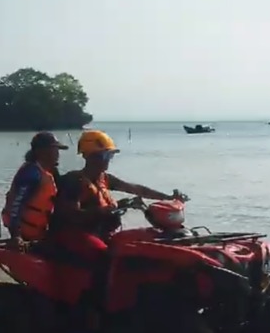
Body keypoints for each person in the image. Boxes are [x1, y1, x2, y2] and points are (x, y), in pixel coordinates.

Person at [50, 129, 186, 315]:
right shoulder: (74, 180)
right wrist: (106, 210)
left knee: (142, 245)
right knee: (105, 257)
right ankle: (97, 305)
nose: (108, 160)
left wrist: (168, 198)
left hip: (103, 233)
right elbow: (70, 214)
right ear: (89, 156)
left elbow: (136, 188)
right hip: (78, 234)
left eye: (110, 155)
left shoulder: (104, 178)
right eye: (104, 155)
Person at [0, 131, 68, 243]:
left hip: (40, 233)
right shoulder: (31, 173)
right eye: (54, 149)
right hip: (25, 234)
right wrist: (16, 236)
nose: (57, 154)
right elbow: (16, 204)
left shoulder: (50, 172)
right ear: (41, 151)